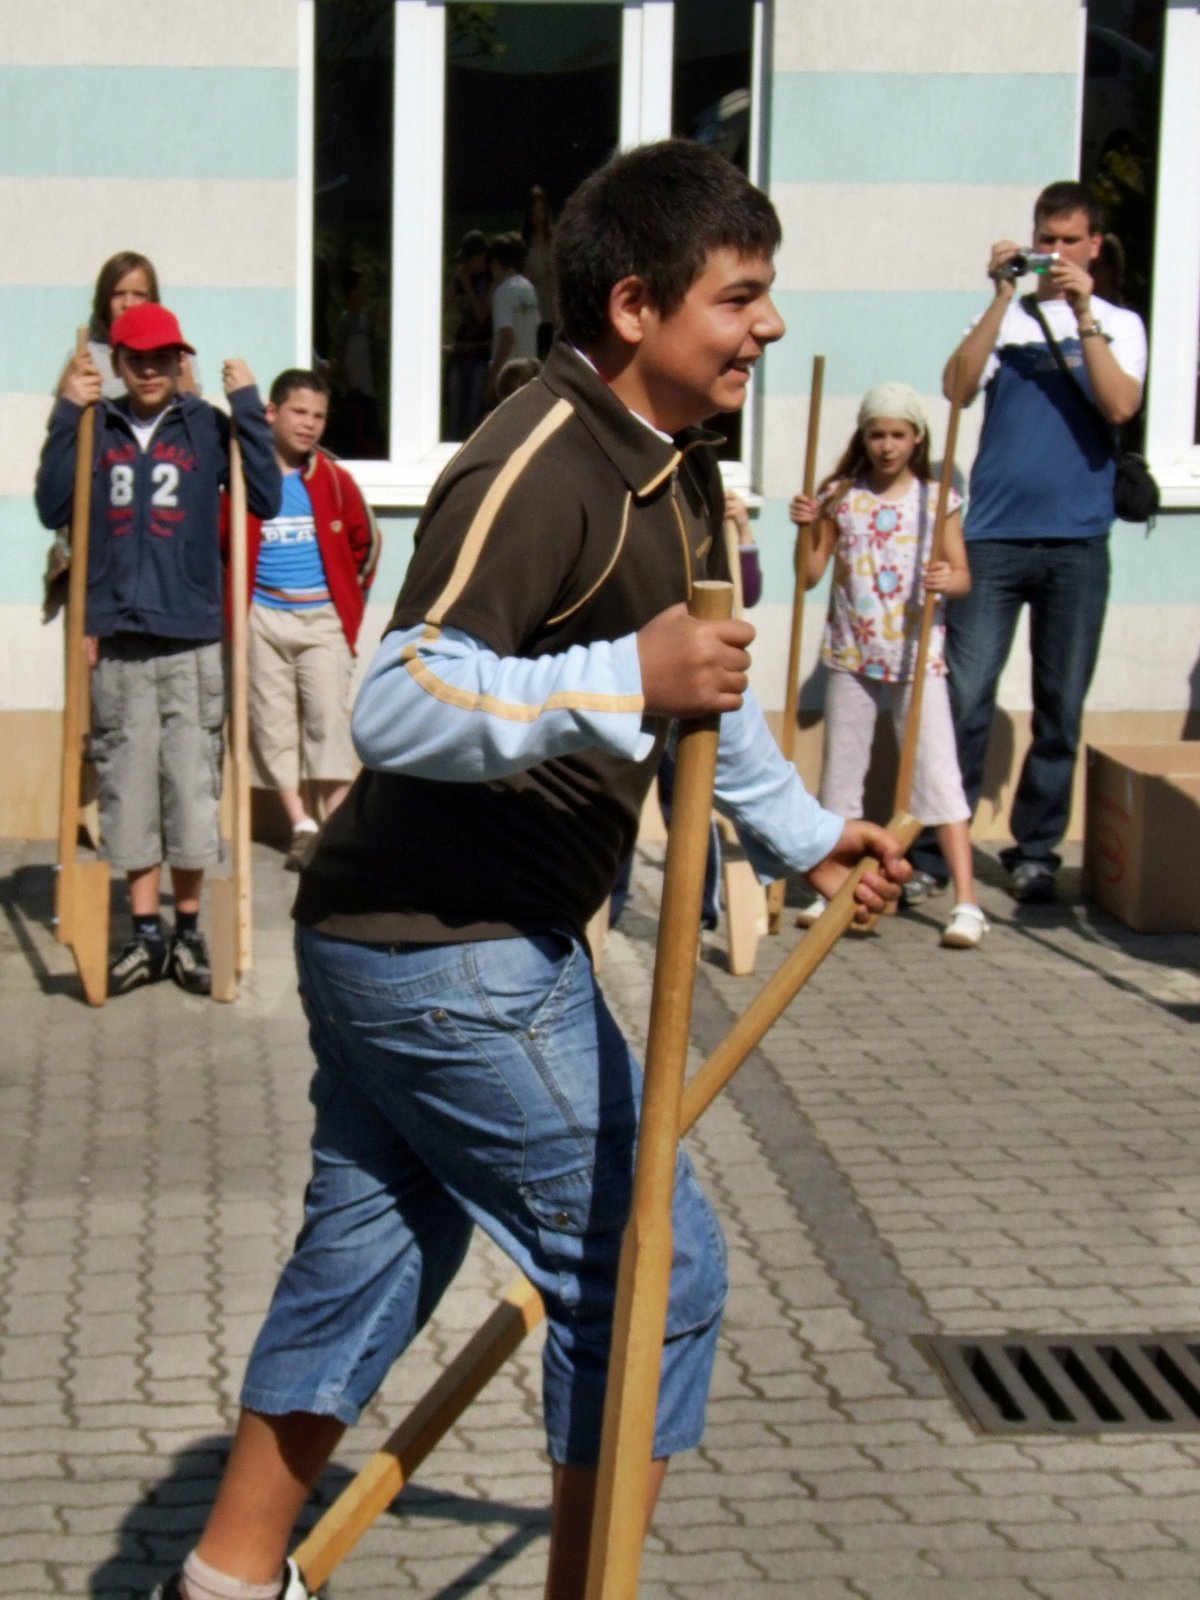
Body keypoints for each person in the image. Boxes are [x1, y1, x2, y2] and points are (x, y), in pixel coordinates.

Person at [144, 139, 907, 1600]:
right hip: (455, 949)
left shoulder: (681, 467)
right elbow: (397, 698)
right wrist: (623, 675)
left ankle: (226, 1581)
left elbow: (708, 696)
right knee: (651, 1270)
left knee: (371, 1258)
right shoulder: (542, 458)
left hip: (411, 943)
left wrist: (812, 839)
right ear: (634, 306)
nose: (769, 325)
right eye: (739, 296)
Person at [909, 181, 1147, 906]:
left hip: (1078, 541)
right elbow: (955, 388)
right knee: (965, 698)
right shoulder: (1007, 317)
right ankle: (935, 847)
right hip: (993, 537)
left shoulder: (1118, 322)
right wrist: (1000, 296)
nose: (1056, 252)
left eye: (1070, 241)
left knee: (1060, 705)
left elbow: (1120, 405)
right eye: (1046, 240)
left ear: (1094, 246)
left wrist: (1083, 314)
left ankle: (1036, 851)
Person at [35, 302, 281, 997]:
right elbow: (53, 507)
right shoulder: (98, 426)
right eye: (137, 359)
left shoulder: (207, 427)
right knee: (130, 786)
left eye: (163, 358)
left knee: (191, 787)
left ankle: (189, 932)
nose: (150, 370)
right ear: (118, 362)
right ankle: (144, 933)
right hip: (119, 639)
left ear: (180, 361)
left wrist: (249, 407)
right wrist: (65, 411)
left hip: (192, 637)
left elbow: (264, 495)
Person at [789, 382, 987, 949]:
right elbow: (809, 575)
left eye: (898, 434)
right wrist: (806, 528)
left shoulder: (936, 499)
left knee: (938, 775)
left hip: (916, 659)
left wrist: (948, 578)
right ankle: (836, 889)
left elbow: (963, 575)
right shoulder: (839, 495)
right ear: (864, 436)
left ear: (917, 438)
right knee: (840, 779)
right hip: (852, 654)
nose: (886, 445)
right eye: (877, 434)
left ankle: (967, 903)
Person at [225, 369, 381, 870]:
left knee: (327, 719)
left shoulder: (333, 480)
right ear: (271, 413)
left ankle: (334, 827)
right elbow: (223, 545)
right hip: (264, 617)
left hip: (321, 620)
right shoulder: (244, 478)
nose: (309, 424)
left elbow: (366, 543)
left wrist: (347, 607)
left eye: (318, 416)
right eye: (299, 412)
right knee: (271, 723)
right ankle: (301, 826)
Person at [445, 228, 493, 438]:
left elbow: (482, 315)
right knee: (454, 414)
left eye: (468, 260)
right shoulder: (463, 277)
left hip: (480, 352)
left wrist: (467, 285)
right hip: (461, 350)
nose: (465, 265)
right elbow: (444, 304)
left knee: (474, 413)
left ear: (480, 257)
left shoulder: (490, 278)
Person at [485, 233, 540, 403]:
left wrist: (492, 376)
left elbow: (507, 336)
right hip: (529, 371)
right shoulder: (528, 288)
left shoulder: (503, 292)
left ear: (496, 263)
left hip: (509, 376)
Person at [522, 183, 557, 357]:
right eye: (534, 213)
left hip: (552, 308)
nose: (538, 217)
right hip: (534, 308)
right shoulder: (525, 243)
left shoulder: (553, 239)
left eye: (541, 212)